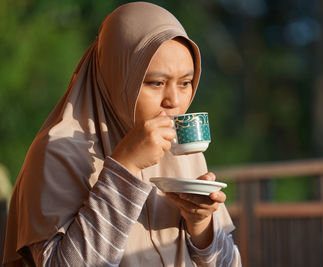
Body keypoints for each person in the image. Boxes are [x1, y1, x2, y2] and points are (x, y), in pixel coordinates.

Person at [2, 2, 241, 266]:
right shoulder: (57, 153)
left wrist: (202, 225)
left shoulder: (181, 150)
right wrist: (125, 167)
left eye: (185, 83)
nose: (174, 100)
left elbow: (230, 263)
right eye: (156, 83)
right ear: (116, 77)